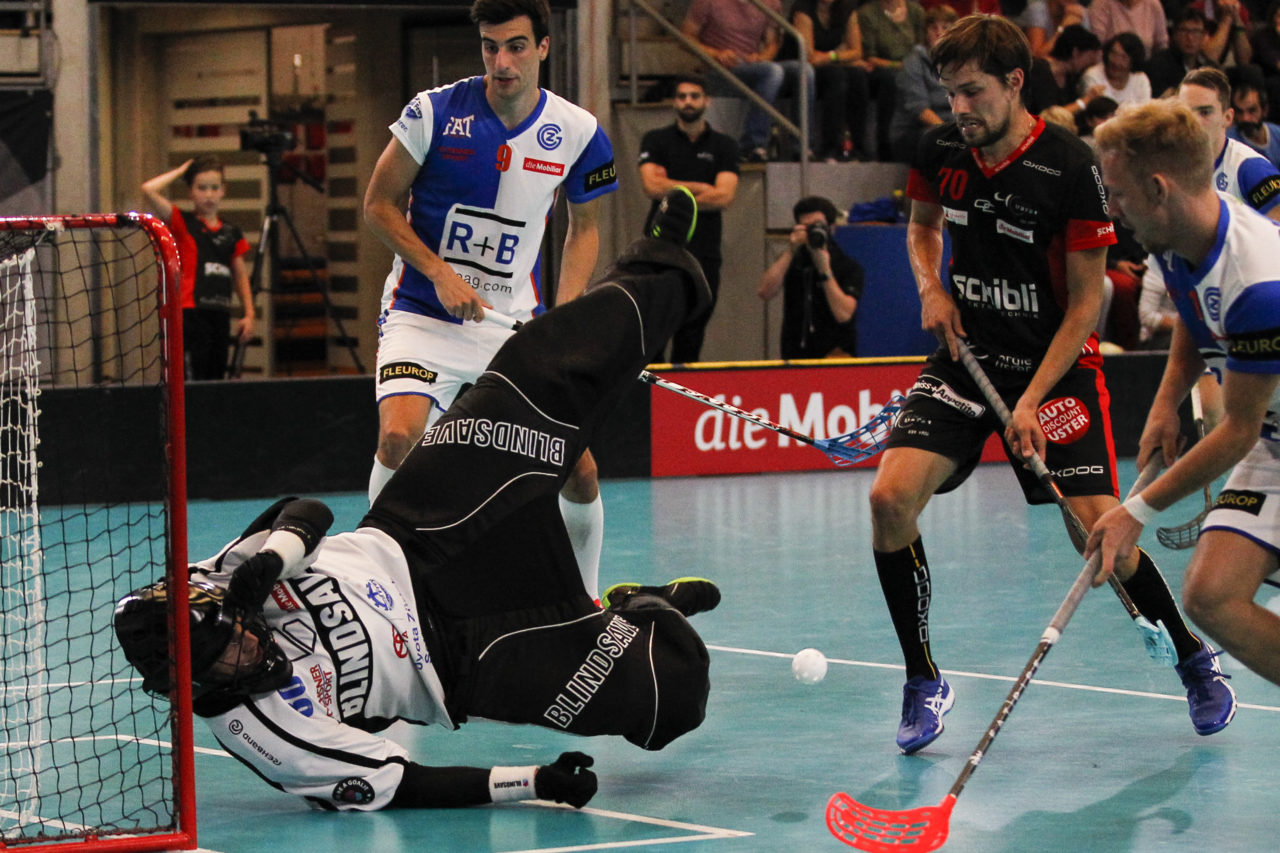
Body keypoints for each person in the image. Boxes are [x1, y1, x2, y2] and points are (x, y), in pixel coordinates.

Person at [113, 191, 722, 811]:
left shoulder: (215, 584)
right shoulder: (267, 737)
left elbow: (305, 511)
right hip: (462, 665)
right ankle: (641, 606)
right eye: (220, 663)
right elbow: (399, 782)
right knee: (668, 697)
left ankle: (663, 264)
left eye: (233, 636)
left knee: (531, 377)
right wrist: (533, 782)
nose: (242, 650)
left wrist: (269, 565)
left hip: (415, 535)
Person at [867, 15, 1234, 756]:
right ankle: (922, 679)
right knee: (888, 499)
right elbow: (922, 227)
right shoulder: (941, 148)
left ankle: (1193, 657)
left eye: (973, 92)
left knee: (1101, 537)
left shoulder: (1070, 167)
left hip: (1056, 368)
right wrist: (931, 289)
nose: (960, 107)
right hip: (967, 357)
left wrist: (1031, 401)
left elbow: (1085, 307)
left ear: (1014, 83)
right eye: (950, 92)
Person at [362, 0, 617, 600]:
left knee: (578, 471)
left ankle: (586, 604)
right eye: (489, 46)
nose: (501, 62)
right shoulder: (431, 113)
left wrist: (567, 319)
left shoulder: (579, 133)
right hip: (420, 314)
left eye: (516, 46)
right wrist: (440, 274)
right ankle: (382, 585)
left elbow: (586, 230)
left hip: (510, 326)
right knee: (400, 439)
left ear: (544, 47)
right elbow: (377, 205)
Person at [1088, 98, 1280, 689]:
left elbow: (1236, 429)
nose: (1112, 209)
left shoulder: (1259, 282)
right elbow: (1195, 325)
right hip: (1274, 437)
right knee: (1211, 596)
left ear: (1158, 187)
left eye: (1118, 192)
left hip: (1259, 430)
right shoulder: (1172, 240)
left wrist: (1134, 512)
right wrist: (1165, 404)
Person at [637, 73, 740, 363]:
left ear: (706, 100)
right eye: (682, 96)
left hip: (704, 252)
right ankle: (651, 397)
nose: (688, 102)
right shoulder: (656, 140)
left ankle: (683, 400)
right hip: (660, 251)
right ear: (674, 102)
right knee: (653, 328)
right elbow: (651, 186)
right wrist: (699, 188)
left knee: (692, 332)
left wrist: (674, 191)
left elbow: (725, 196)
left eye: (694, 96)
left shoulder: (724, 146)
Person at [141, 156, 255, 381]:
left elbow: (240, 275)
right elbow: (148, 190)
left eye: (214, 188)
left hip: (220, 314)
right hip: (191, 313)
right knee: (193, 378)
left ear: (223, 190)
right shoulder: (183, 223)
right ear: (190, 192)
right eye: (202, 188)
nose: (209, 195)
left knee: (216, 376)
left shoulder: (231, 232)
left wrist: (249, 314)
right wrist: (182, 170)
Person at [681, 0, 814, 163]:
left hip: (753, 66)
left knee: (804, 70)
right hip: (719, 70)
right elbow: (685, 37)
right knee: (773, 71)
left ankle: (802, 145)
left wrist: (763, 56)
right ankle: (752, 144)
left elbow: (772, 42)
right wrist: (715, 53)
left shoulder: (771, 2)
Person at [757, 196, 864, 358]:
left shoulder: (848, 266)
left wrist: (824, 270)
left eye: (817, 225)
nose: (812, 231)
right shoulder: (793, 261)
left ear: (831, 227)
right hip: (795, 357)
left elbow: (843, 314)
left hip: (835, 356)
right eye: (805, 227)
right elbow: (764, 292)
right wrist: (791, 251)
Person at [788, 0, 874, 161]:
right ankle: (829, 147)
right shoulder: (803, 9)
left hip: (829, 62)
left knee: (858, 76)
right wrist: (842, 55)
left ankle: (859, 145)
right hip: (800, 67)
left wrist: (831, 56)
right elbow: (810, 56)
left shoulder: (847, 8)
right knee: (836, 77)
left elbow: (857, 51)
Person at [858, 0, 928, 160]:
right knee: (891, 80)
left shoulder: (916, 11)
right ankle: (885, 146)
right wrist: (901, 65)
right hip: (880, 71)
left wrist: (911, 66)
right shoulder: (867, 13)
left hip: (915, 67)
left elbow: (923, 48)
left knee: (918, 77)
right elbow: (870, 58)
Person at [889, 4, 958, 162]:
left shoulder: (960, 63)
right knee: (940, 142)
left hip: (949, 128)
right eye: (933, 28)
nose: (939, 32)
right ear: (925, 31)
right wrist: (952, 135)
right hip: (913, 132)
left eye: (945, 28)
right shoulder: (913, 62)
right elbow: (920, 110)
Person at [1146, 9, 1219, 99]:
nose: (1190, 38)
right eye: (1184, 31)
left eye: (1196, 31)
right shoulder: (1159, 65)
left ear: (1204, 35)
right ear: (1174, 34)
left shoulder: (1209, 67)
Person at [1081, 32, 1152, 108]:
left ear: (1133, 61)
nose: (1116, 62)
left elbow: (1144, 113)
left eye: (1124, 57)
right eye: (1113, 54)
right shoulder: (1093, 76)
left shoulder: (1140, 79)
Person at [1227, 78, 1280, 167]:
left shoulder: (1277, 133)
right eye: (1240, 112)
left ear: (1264, 110)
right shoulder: (1229, 142)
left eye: (1252, 111)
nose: (1245, 118)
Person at [1087, 0, 1168, 56]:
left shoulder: (1153, 5)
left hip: (1146, 72)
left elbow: (1162, 46)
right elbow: (1096, 48)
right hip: (1110, 70)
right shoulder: (1101, 4)